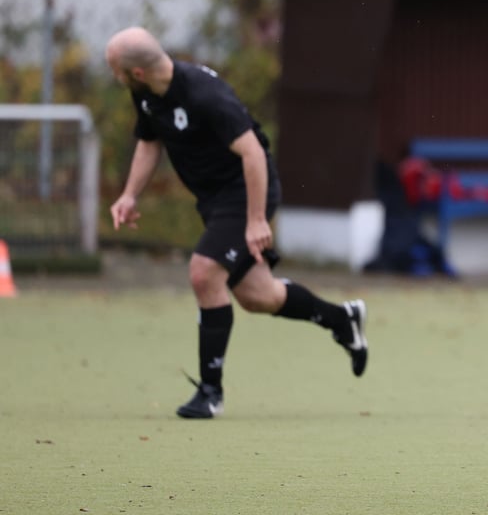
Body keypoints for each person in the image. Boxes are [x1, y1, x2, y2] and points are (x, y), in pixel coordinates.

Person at [106, 27, 368, 420]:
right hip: (214, 201)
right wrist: (129, 194)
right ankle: (342, 319)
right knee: (257, 296)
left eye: (115, 70)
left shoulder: (204, 94)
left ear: (136, 72)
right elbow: (150, 140)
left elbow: (253, 155)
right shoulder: (145, 93)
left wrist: (256, 220)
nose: (115, 77)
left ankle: (210, 393)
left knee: (203, 272)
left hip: (245, 193)